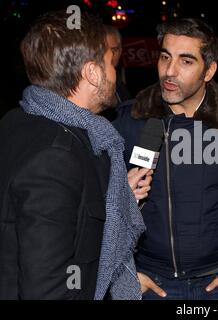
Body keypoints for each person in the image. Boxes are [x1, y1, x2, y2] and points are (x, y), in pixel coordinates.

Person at [113, 18, 218, 300]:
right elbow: (99, 205)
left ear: (209, 70)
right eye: (165, 57)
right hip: (149, 282)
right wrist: (122, 271)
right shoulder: (127, 121)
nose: (170, 72)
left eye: (186, 61)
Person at [0, 11, 151, 299]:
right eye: (109, 63)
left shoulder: (20, 121)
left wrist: (116, 196)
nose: (113, 73)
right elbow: (48, 288)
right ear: (92, 73)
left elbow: (67, 218)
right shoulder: (56, 157)